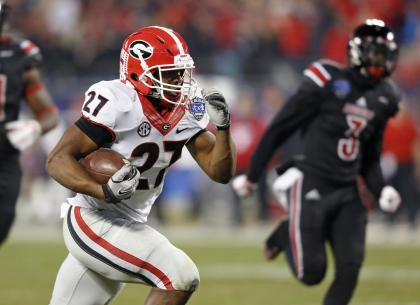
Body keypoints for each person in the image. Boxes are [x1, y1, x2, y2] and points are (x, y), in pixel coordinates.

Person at [46, 26, 236, 305]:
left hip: (131, 222)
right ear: (138, 73)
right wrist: (103, 190)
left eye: (182, 71)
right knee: (179, 275)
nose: (180, 80)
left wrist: (223, 128)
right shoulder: (118, 102)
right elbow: (57, 160)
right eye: (169, 73)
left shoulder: (186, 106)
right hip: (93, 218)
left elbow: (220, 173)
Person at [232, 19, 402, 305]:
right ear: (358, 53)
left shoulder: (385, 97)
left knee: (350, 268)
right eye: (375, 53)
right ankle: (285, 232)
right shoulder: (329, 81)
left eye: (385, 54)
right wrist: (254, 175)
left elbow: (369, 156)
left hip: (348, 190)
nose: (381, 60)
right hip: (312, 183)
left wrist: (380, 188)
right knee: (312, 273)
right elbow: (280, 126)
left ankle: (296, 228)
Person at [0, 1, 59, 247]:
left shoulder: (18, 56)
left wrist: (34, 127)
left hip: (4, 153)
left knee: (3, 221)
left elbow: (49, 114)